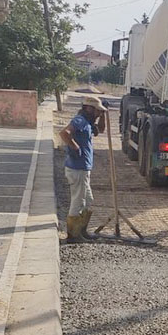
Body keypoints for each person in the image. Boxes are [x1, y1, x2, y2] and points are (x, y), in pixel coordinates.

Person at [60, 96, 108, 242]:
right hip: (77, 168)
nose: (99, 114)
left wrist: (104, 115)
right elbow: (64, 133)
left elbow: (100, 129)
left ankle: (81, 230)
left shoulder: (88, 122)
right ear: (89, 108)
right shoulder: (80, 120)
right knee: (78, 201)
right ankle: (73, 235)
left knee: (88, 199)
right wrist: (75, 146)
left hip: (83, 168)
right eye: (97, 111)